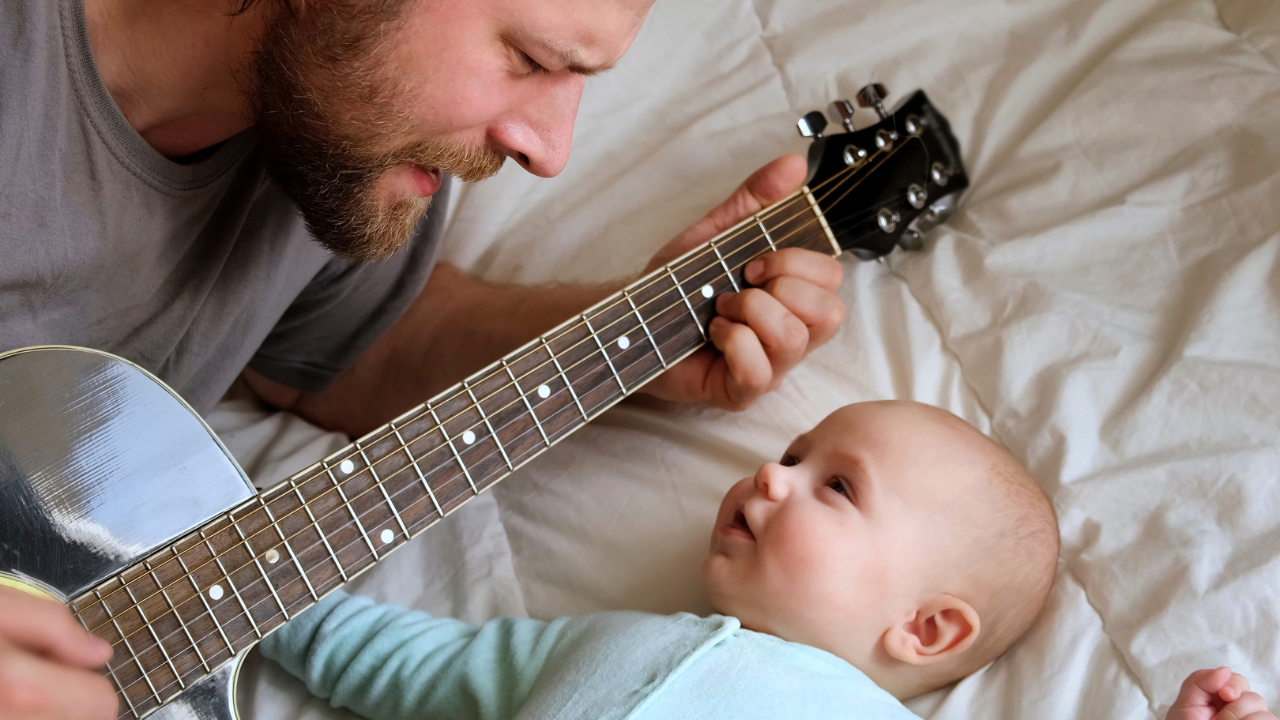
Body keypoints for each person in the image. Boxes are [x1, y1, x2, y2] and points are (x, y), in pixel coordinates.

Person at [0, 0, 847, 716]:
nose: (548, 151)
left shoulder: (331, 143)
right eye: (530, 58)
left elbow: (355, 354)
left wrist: (634, 340)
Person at [254, 401, 1275, 719]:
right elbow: (413, 666)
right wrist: (264, 588)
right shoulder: (592, 642)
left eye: (834, 485)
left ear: (922, 629)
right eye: (790, 455)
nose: (770, 476)